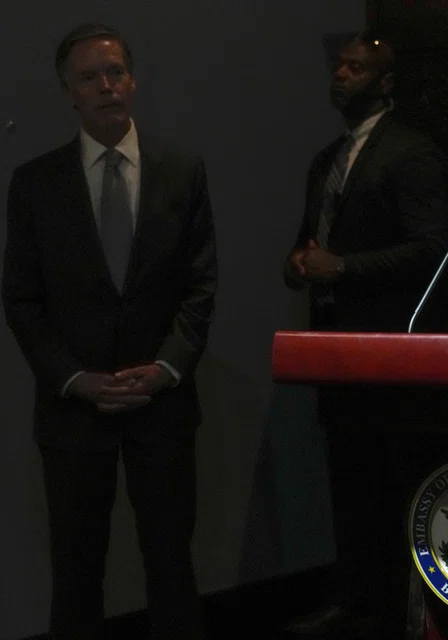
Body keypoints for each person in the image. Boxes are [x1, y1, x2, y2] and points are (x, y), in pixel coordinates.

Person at [2, 23, 217, 640]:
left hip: (163, 406)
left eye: (115, 72)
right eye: (89, 77)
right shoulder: (35, 183)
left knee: (172, 566)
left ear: (133, 80)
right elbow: (22, 299)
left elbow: (201, 286)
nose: (106, 86)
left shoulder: (182, 170)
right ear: (69, 92)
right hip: (74, 411)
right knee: (76, 575)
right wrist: (75, 378)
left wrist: (167, 367)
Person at [282, 33, 448, 637]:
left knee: (392, 476)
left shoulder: (410, 152)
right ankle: (356, 600)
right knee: (346, 476)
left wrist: (346, 268)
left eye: (356, 68)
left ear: (384, 81)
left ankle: (405, 608)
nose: (341, 75)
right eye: (339, 66)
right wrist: (298, 263)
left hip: (387, 348)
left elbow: (433, 249)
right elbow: (312, 238)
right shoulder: (327, 159)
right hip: (332, 345)